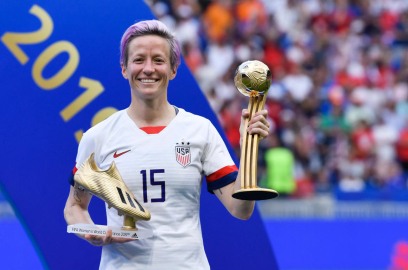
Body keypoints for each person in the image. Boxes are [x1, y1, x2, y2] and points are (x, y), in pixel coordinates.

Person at [64, 20, 270, 270]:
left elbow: (241, 210)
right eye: (139, 59)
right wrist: (90, 230)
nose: (148, 69)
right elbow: (75, 206)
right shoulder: (98, 136)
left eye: (158, 60)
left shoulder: (200, 130)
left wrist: (250, 145)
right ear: (124, 68)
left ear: (173, 69)